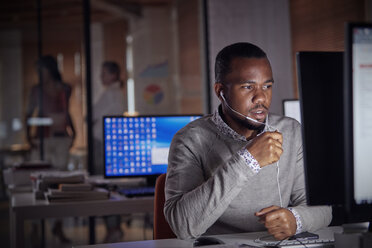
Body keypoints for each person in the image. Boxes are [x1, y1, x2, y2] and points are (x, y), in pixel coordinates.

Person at [164, 42, 332, 240]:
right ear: (220, 91)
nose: (261, 98)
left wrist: (296, 219)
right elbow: (182, 226)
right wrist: (248, 160)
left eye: (267, 86)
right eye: (248, 87)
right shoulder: (189, 140)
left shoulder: (291, 130)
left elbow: (325, 210)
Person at [26, 55, 75, 244]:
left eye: (42, 69)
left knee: (60, 184)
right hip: (42, 139)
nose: (39, 74)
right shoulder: (36, 90)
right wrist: (29, 136)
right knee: (41, 182)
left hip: (61, 138)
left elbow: (67, 112)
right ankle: (36, 228)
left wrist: (74, 133)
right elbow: (29, 113)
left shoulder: (65, 88)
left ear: (50, 69)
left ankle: (58, 226)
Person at [92, 61, 126, 243]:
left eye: (104, 73)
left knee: (104, 186)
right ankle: (113, 227)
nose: (100, 77)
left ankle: (113, 228)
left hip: (102, 144)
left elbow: (92, 115)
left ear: (113, 75)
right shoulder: (114, 93)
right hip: (105, 143)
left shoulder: (112, 95)